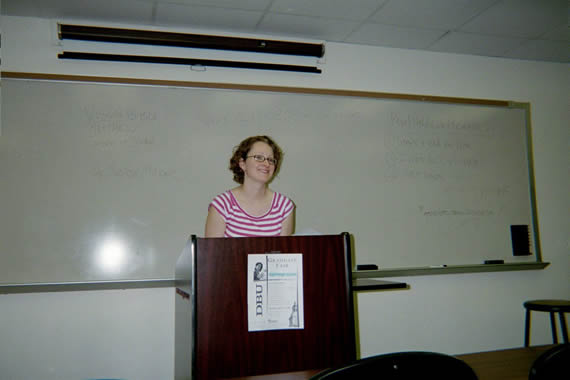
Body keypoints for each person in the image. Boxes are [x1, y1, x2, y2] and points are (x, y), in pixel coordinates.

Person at [205, 135, 295, 237]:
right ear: (242, 163)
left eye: (271, 160)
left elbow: (284, 252)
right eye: (259, 157)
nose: (266, 164)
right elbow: (212, 252)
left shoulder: (284, 206)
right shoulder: (222, 205)